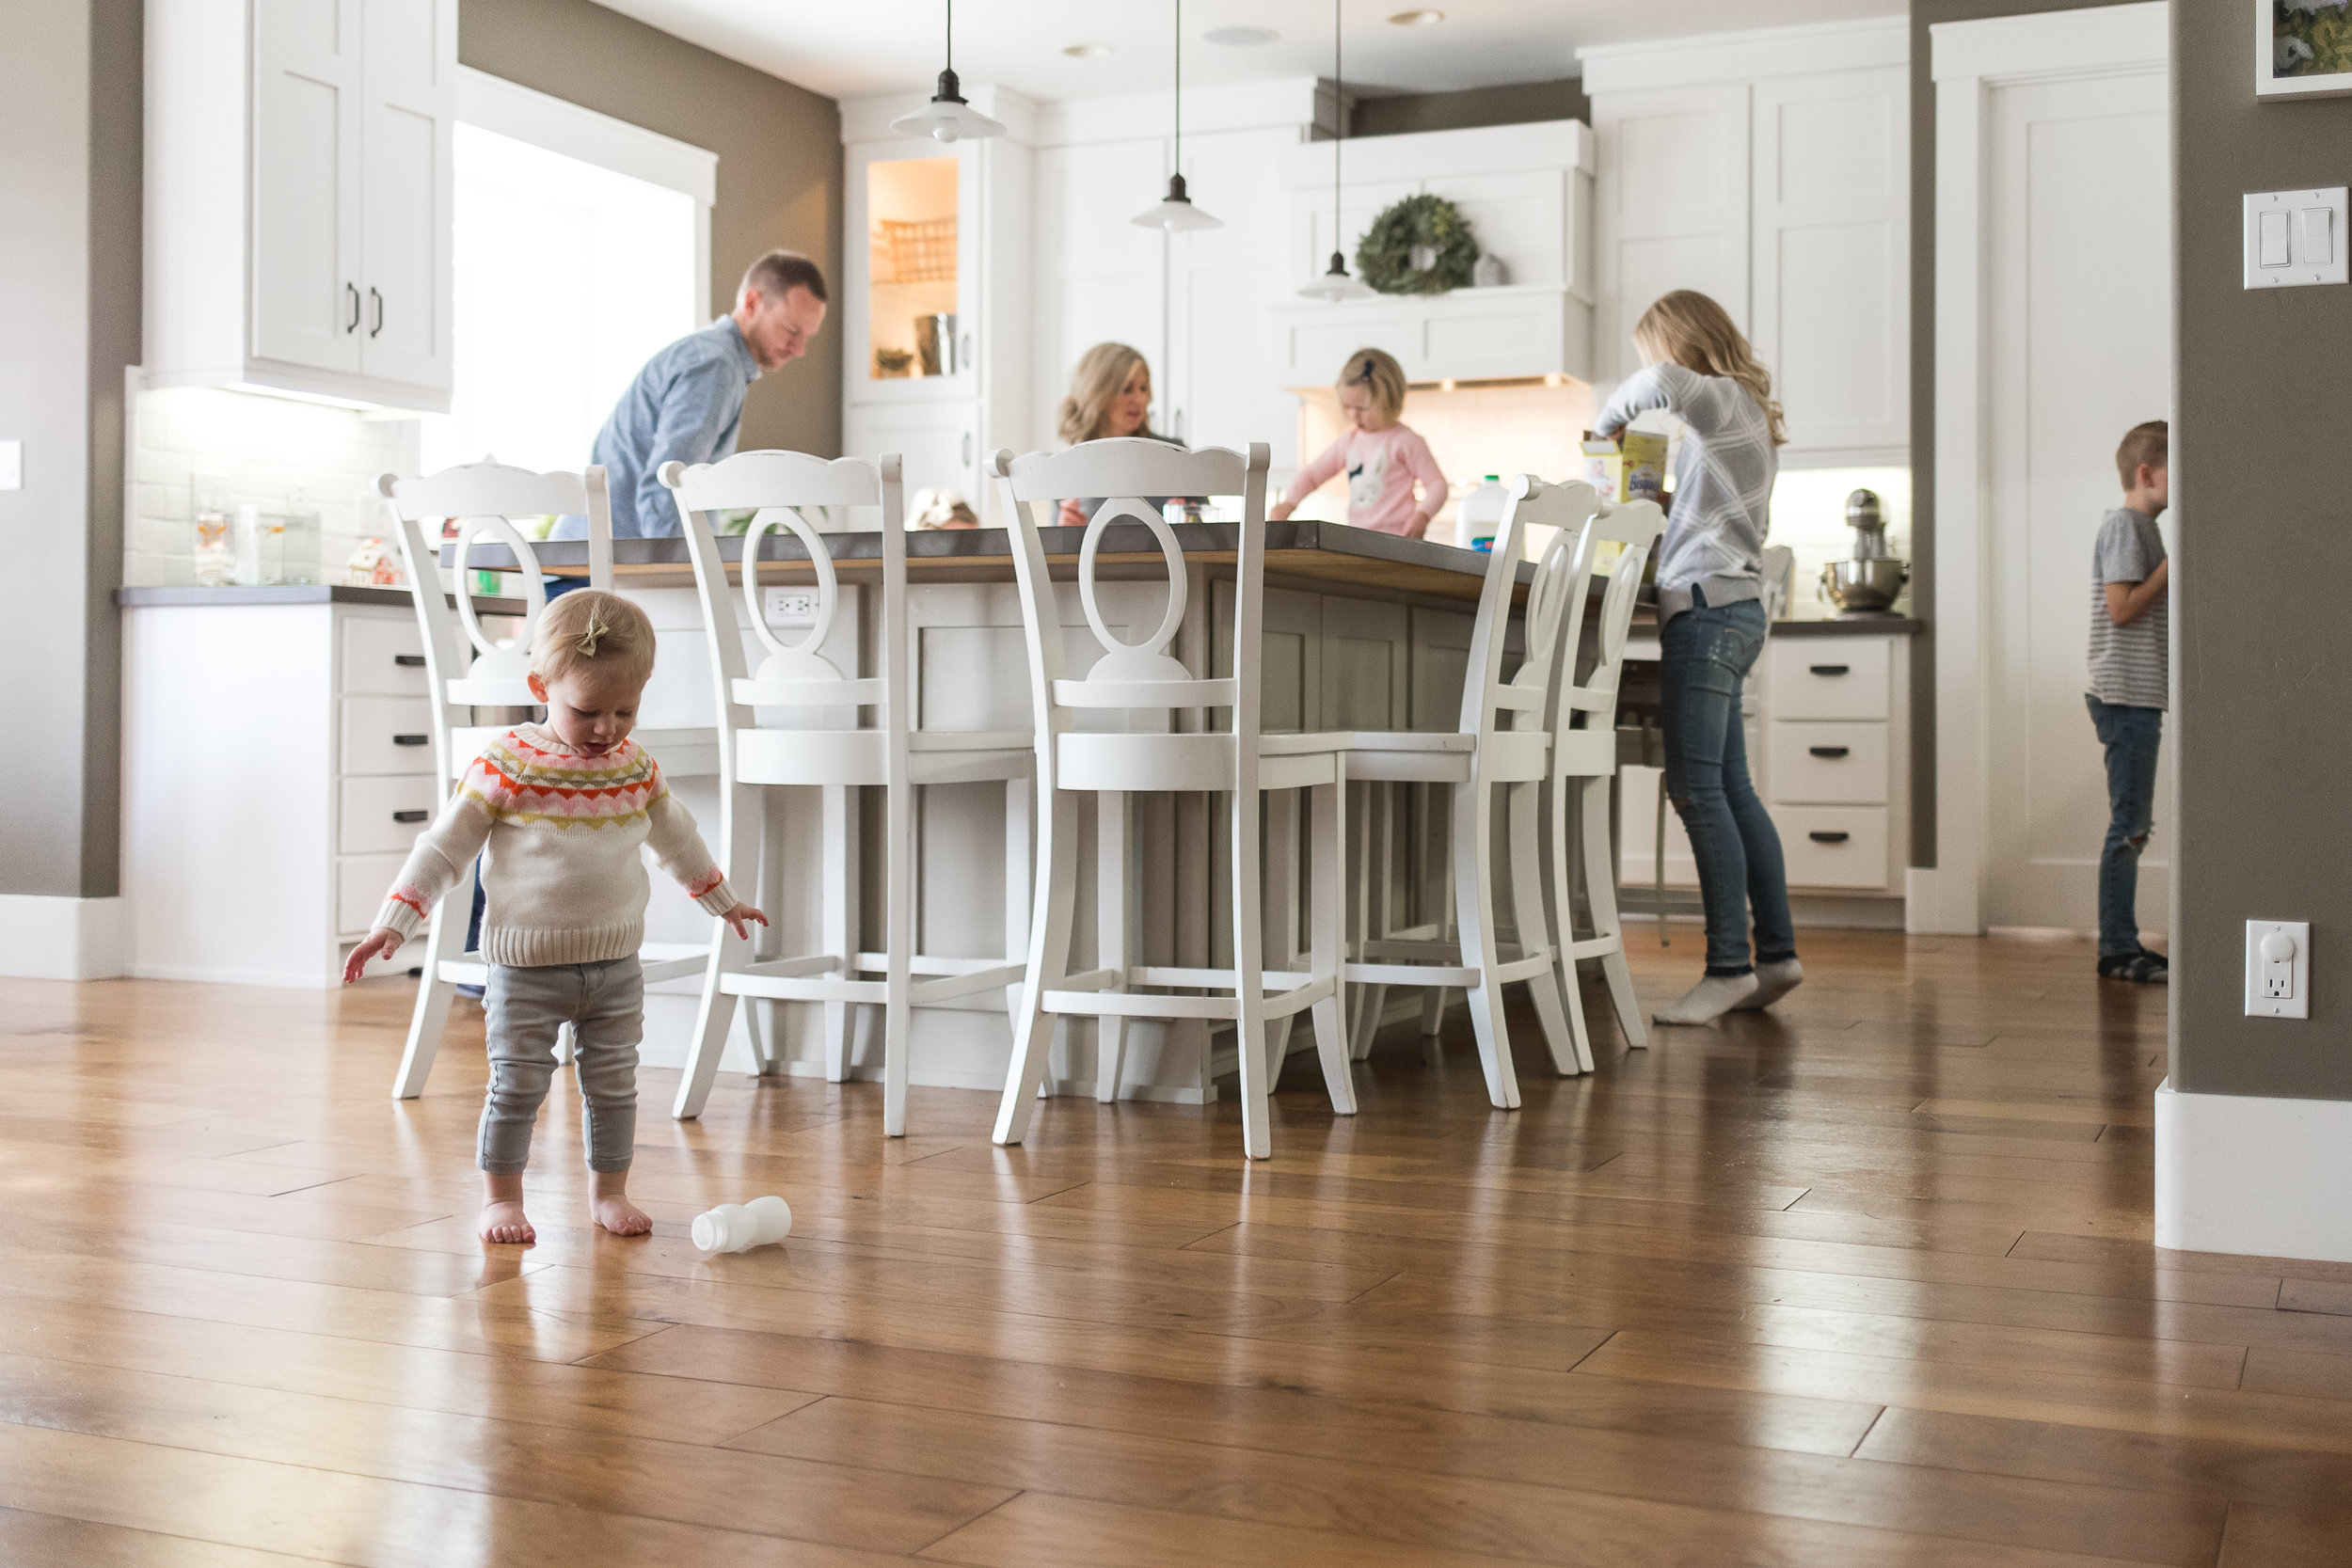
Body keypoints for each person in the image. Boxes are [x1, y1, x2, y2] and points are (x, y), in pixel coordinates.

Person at [342, 591, 768, 1243]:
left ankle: (610, 1192)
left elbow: (677, 838)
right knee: (516, 1085)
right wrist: (397, 919)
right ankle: (501, 1198)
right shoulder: (507, 762)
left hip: (616, 963)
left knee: (614, 1085)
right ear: (541, 685)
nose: (607, 729)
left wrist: (721, 897)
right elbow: (445, 847)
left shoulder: (635, 766)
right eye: (587, 711)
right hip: (524, 966)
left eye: (626, 710)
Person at [1593, 290, 1798, 1026]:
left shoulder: (1713, 397)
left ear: (1679, 344)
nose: (1650, 368)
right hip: (1735, 609)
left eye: (1653, 351)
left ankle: (1727, 967)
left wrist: (1603, 427)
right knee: (1733, 790)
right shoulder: (1743, 412)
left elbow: (1662, 387)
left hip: (1706, 614)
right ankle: (1774, 956)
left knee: (1697, 792)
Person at [587, 249, 829, 539]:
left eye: (806, 338)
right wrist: (686, 579)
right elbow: (669, 487)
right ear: (752, 303)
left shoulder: (708, 355)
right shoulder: (716, 366)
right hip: (607, 571)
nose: (799, 350)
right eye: (792, 331)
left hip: (598, 558)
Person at [2086, 420, 2170, 985]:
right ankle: (2117, 949)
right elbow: (2121, 609)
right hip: (2123, 696)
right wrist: (2176, 565)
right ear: (2147, 474)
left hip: (2135, 696)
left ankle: (2123, 942)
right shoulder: (2126, 526)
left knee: (2133, 825)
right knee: (2129, 826)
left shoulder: (2141, 529)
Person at [1270, 348, 1448, 538]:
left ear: (1389, 401)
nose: (1353, 415)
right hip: (1359, 539)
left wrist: (1422, 516)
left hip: (1400, 540)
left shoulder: (1406, 441)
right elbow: (1313, 475)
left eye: (1362, 408)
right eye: (1348, 407)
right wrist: (1289, 503)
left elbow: (1438, 484)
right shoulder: (1350, 442)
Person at [1054, 342, 1185, 527]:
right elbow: (1054, 554)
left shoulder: (1175, 454)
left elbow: (1216, 545)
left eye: (1144, 388)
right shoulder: (1068, 467)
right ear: (1098, 394)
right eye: (1127, 389)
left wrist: (1190, 524)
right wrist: (1064, 533)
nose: (1140, 399)